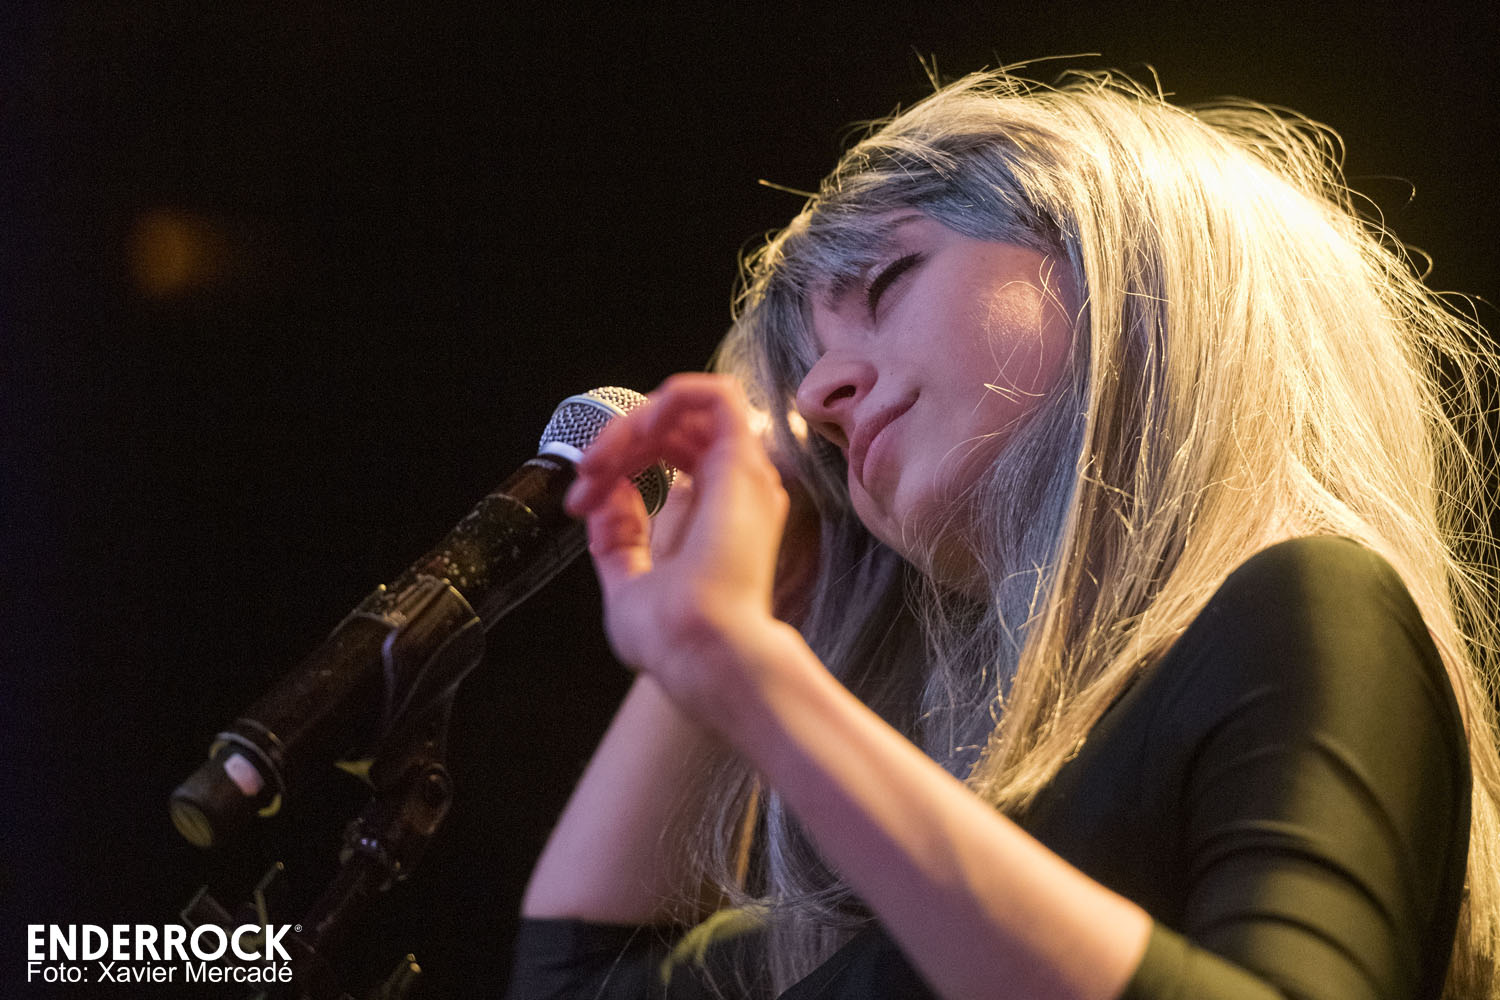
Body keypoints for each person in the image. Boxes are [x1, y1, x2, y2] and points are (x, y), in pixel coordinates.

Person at [506, 68, 1500, 999]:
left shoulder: (1307, 605)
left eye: (887, 283)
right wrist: (738, 620)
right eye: (806, 383)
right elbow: (579, 982)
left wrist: (747, 670)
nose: (816, 397)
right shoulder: (937, 863)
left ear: (1115, 260)